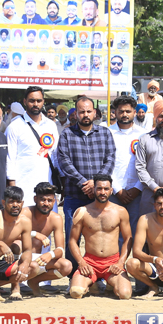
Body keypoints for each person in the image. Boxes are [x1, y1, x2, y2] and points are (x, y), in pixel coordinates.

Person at [56, 96, 117, 260]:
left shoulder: (105, 133)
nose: (85, 115)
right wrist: (84, 183)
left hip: (99, 197)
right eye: (82, 111)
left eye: (89, 111)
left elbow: (110, 159)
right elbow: (64, 162)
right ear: (76, 114)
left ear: (94, 113)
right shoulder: (67, 134)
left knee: (100, 237)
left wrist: (96, 184)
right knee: (72, 238)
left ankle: (98, 272)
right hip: (74, 196)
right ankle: (73, 272)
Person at [65, 175, 134, 299]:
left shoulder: (120, 211)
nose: (103, 192)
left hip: (112, 263)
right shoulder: (82, 212)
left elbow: (128, 239)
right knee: (76, 292)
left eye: (106, 189)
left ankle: (110, 284)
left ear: (111, 190)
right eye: (99, 188)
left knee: (125, 294)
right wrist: (81, 262)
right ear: (94, 190)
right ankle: (92, 283)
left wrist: (120, 263)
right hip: (90, 262)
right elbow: (72, 240)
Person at [22, 182, 74, 295]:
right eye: (42, 200)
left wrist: (50, 254)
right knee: (16, 244)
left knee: (66, 266)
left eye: (49, 200)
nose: (46, 203)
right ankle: (15, 284)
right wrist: (34, 234)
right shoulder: (25, 212)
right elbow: (11, 236)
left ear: (54, 201)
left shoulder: (56, 218)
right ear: (35, 199)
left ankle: (34, 281)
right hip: (20, 259)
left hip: (37, 260)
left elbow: (60, 250)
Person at [5, 86, 60, 191]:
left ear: (43, 102)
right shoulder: (14, 127)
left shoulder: (51, 125)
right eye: (32, 101)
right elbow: (10, 159)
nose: (35, 104)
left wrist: (60, 182)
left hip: (47, 188)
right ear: (25, 101)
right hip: (23, 188)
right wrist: (13, 189)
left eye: (39, 101)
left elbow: (56, 155)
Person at [107, 96, 148, 228]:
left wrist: (137, 188)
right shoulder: (107, 133)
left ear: (134, 112)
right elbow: (105, 164)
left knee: (136, 230)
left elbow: (147, 163)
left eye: (128, 111)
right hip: (113, 191)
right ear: (115, 112)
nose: (124, 114)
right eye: (121, 111)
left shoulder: (144, 135)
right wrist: (117, 189)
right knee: (113, 229)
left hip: (138, 192)